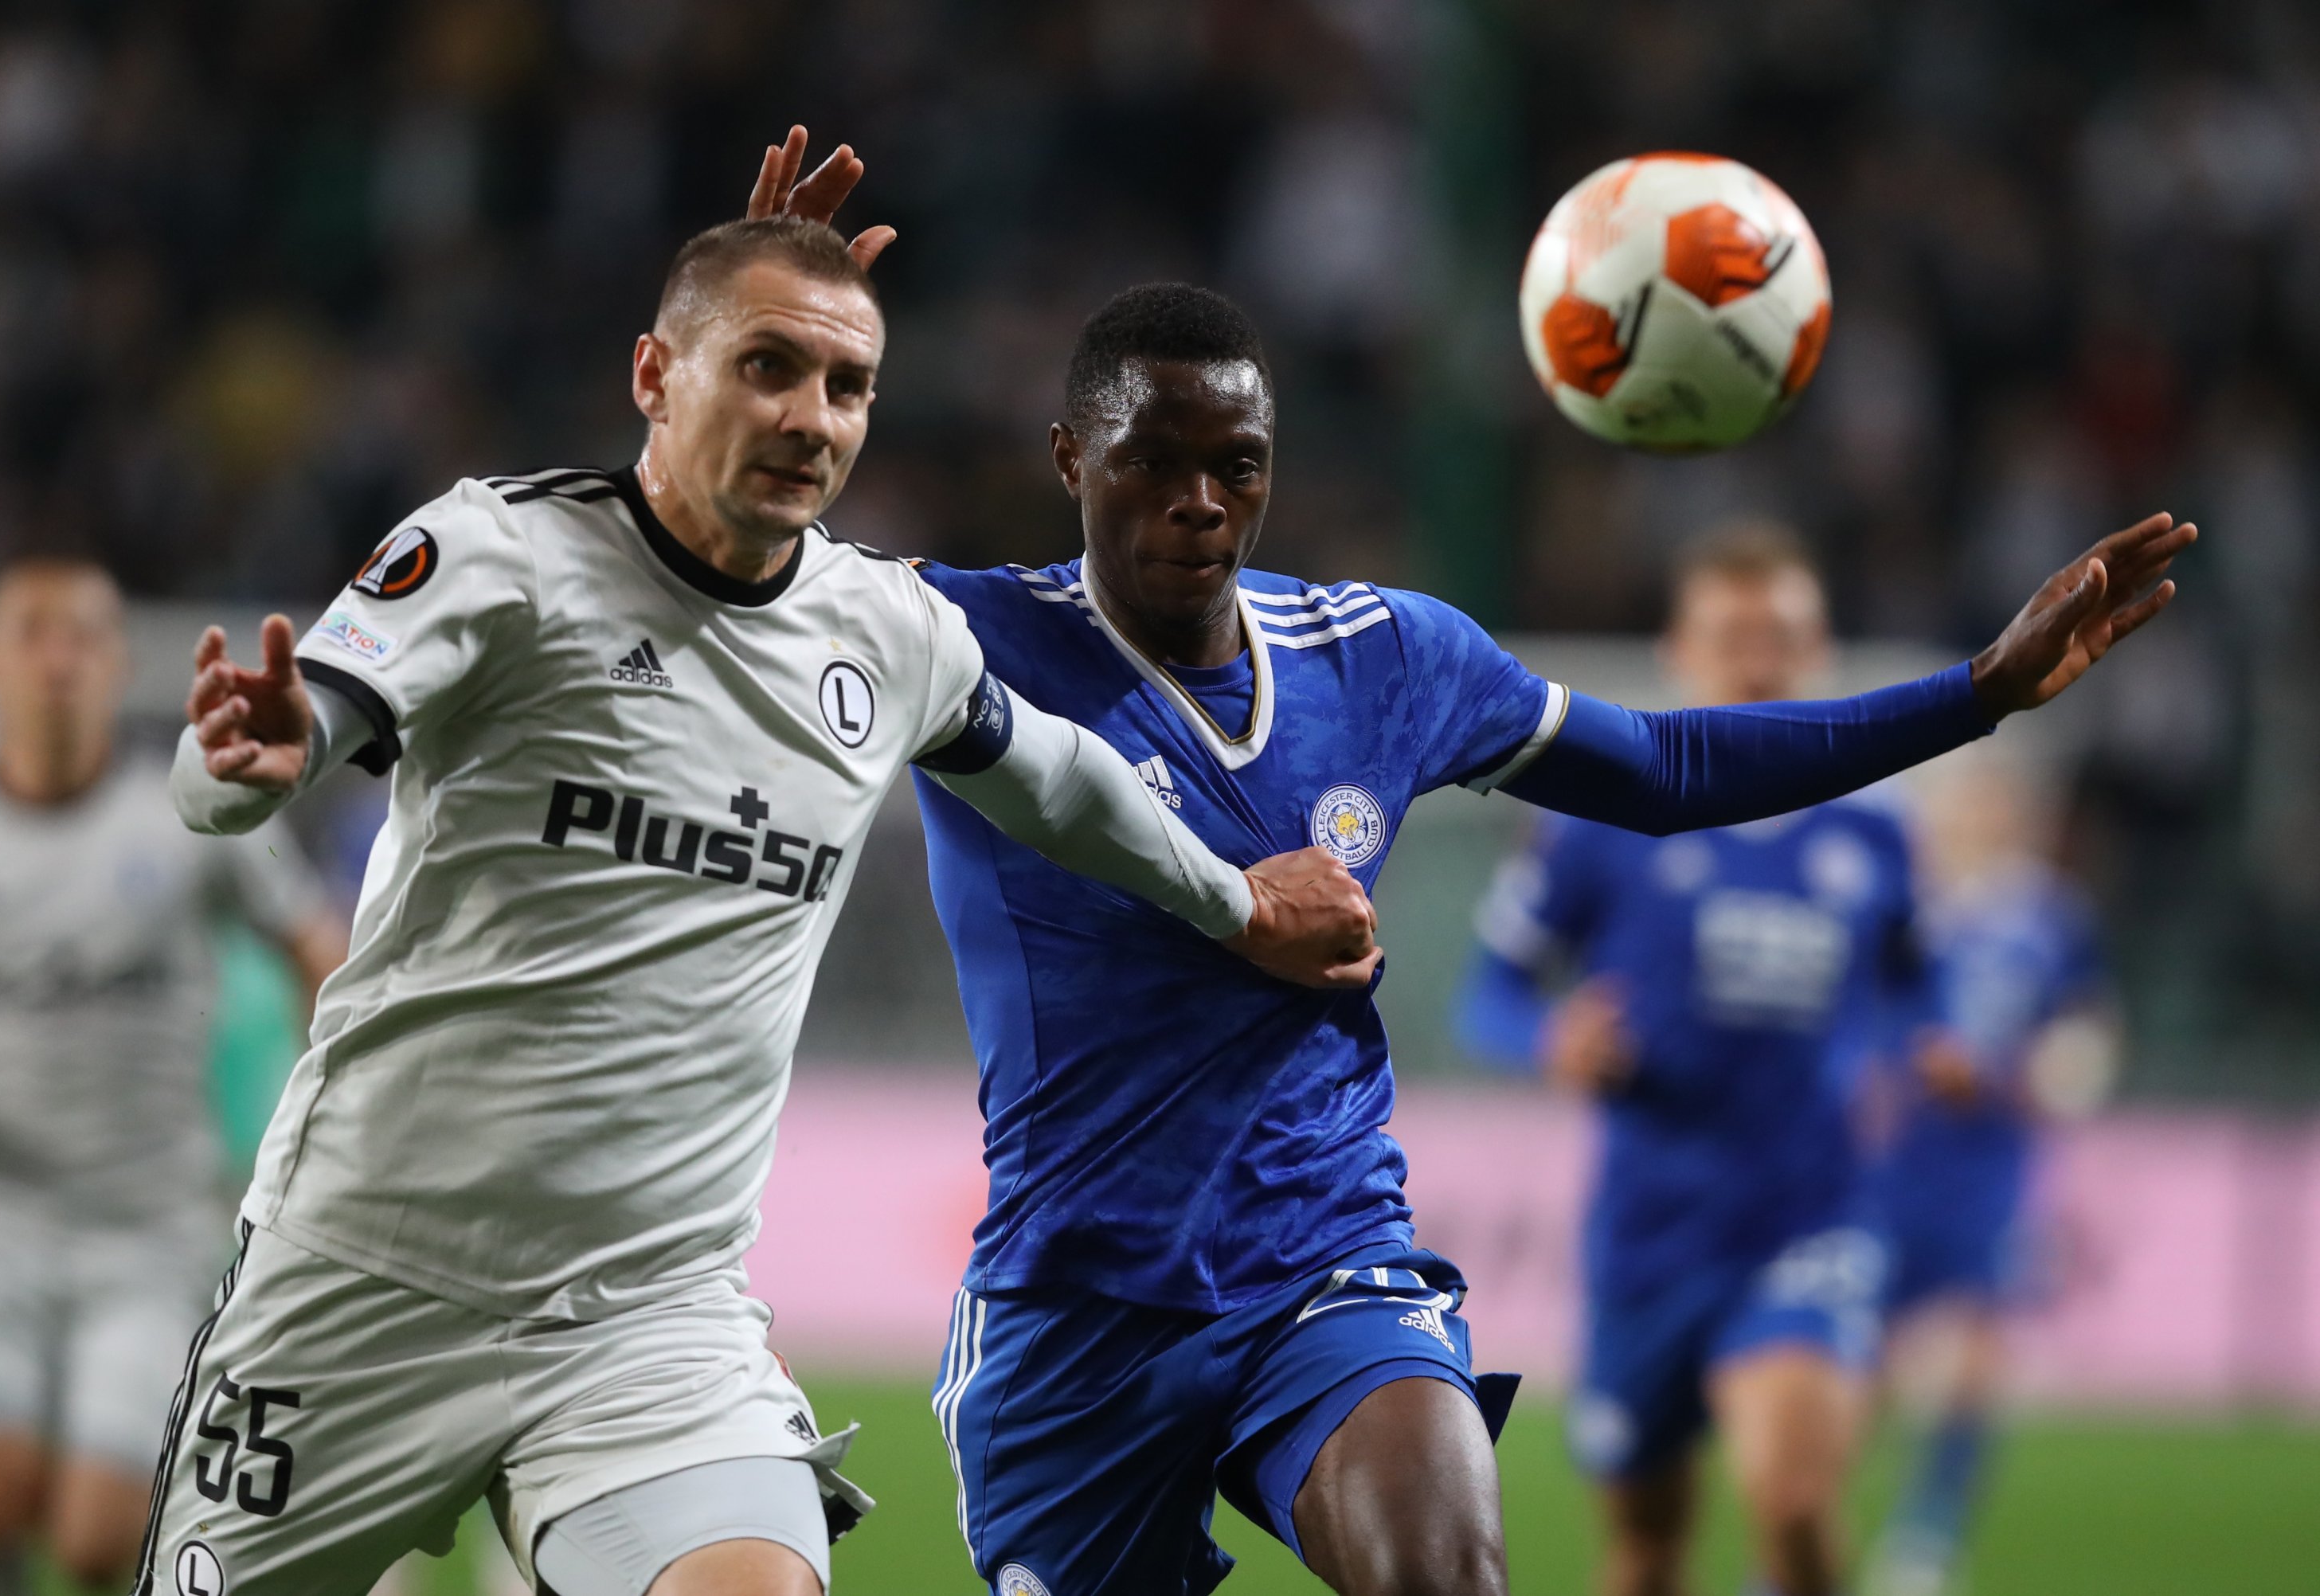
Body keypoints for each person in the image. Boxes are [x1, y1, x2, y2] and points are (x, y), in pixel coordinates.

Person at [143, 129, 1379, 1596]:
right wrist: (248, 759)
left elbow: (1057, 778)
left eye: (848, 384)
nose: (814, 418)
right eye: (768, 369)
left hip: (647, 1319)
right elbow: (242, 765)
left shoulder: (885, 631)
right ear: (654, 378)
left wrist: (1234, 898)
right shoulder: (500, 555)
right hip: (365, 1280)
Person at [894, 273, 2188, 1596]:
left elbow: (1668, 766)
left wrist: (1975, 696)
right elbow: (733, 603)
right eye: (1152, 462)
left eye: (1237, 464)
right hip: (1076, 1300)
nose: (1202, 503)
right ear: (1070, 458)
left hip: (1323, 1260)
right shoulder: (959, 640)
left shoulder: (1383, 656)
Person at [1457, 526, 1957, 1596]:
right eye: (1734, 636)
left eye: (1782, 636)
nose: (1759, 660)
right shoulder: (1598, 825)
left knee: (1793, 1496)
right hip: (1649, 1234)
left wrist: (1925, 1046)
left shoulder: (1877, 837)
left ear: (1819, 652)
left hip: (1810, 1215)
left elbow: (1924, 982)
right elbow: (1488, 992)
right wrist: (1552, 1038)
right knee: (1645, 1552)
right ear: (1678, 651)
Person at [0, 557, 346, 1596]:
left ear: (120, 664)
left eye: (83, 636)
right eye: (32, 633)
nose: (58, 660)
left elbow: (315, 951)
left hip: (148, 1225)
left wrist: (344, 1113)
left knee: (95, 1540)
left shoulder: (186, 821)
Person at [1857, 754, 2115, 1596]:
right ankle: (1813, 1519)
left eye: (1993, 806)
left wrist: (2041, 1078)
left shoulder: (2048, 917)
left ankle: (1926, 1538)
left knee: (1975, 1351)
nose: (1978, 819)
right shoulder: (1897, 907)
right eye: (1964, 806)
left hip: (1988, 1166)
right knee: (1862, 1360)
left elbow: (2084, 1036)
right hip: (1882, 1166)